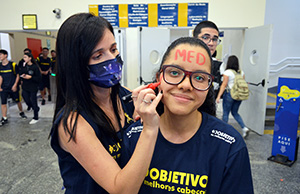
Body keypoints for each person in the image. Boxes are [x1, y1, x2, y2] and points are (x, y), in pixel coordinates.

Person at [121, 37, 254, 194]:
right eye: (175, 73)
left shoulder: (229, 145)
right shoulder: (134, 136)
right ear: (159, 78)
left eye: (199, 78)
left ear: (209, 85)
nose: (185, 85)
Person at [50, 13, 162, 194]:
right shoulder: (73, 123)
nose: (111, 60)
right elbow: (121, 190)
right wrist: (149, 129)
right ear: (76, 64)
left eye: (113, 49)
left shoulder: (124, 96)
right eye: (98, 55)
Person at [216, 55, 250, 138]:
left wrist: (218, 96)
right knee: (235, 112)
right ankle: (244, 128)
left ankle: (224, 131)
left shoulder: (227, 72)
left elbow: (224, 85)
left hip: (230, 94)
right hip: (239, 95)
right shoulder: (241, 72)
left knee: (226, 113)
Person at [193, 20, 223, 98]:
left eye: (215, 39)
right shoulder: (183, 62)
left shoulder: (213, 66)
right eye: (205, 38)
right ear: (194, 39)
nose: (211, 43)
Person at [0, 49, 27, 125]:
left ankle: (21, 112)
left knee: (17, 101)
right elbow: (0, 77)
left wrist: (15, 85)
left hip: (13, 86)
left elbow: (17, 75)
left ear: (5, 55)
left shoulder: (13, 65)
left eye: (1, 55)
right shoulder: (0, 66)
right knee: (3, 103)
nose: (0, 56)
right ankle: (4, 117)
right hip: (4, 87)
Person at [19, 52, 42, 124]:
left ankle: (36, 117)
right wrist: (23, 75)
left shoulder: (35, 67)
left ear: (30, 58)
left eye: (25, 57)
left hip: (33, 87)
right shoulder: (24, 66)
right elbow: (21, 74)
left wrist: (31, 77)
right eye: (24, 57)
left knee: (33, 101)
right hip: (25, 86)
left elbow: (38, 78)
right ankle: (35, 108)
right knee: (25, 98)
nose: (24, 59)